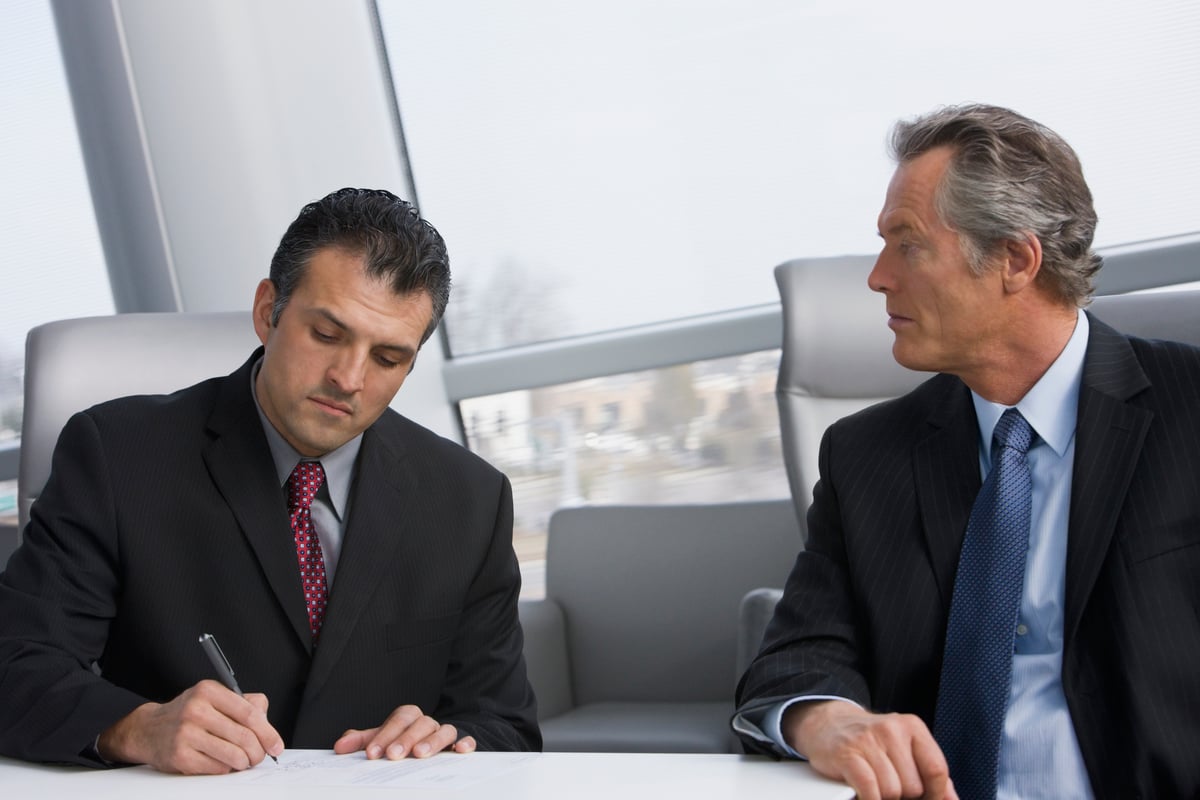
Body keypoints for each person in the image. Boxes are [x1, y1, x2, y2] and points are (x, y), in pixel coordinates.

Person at [733, 105, 1200, 799]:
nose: (878, 277)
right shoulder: (865, 456)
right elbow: (797, 654)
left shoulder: (1190, 409)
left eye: (908, 245)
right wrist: (828, 720)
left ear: (1015, 259)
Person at [0, 188, 541, 773]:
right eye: (327, 335)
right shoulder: (117, 454)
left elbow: (504, 725)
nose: (349, 379)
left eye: (387, 359)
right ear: (267, 311)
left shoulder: (470, 499)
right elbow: (16, 665)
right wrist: (135, 727)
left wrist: (447, 741)